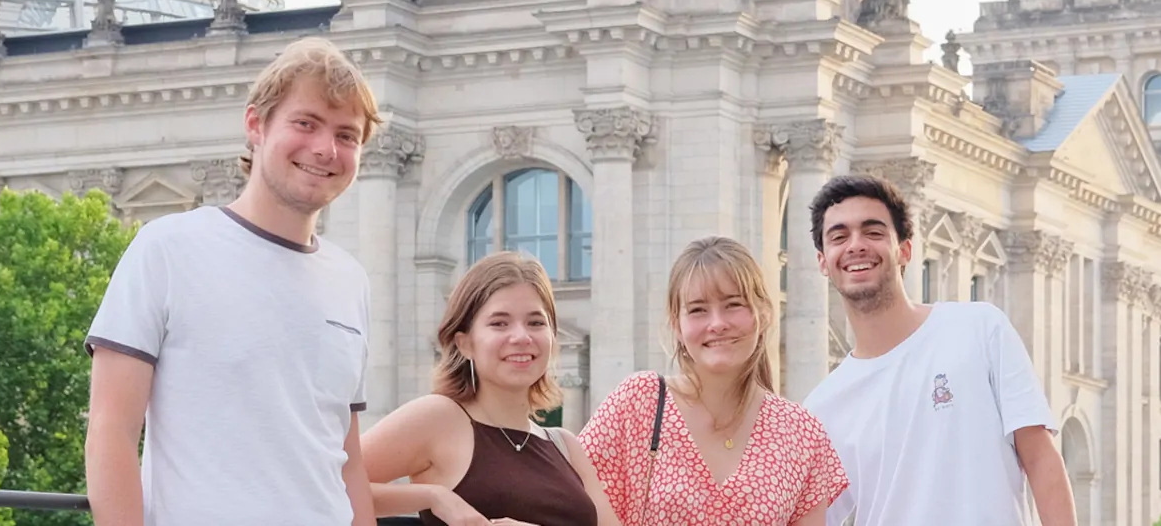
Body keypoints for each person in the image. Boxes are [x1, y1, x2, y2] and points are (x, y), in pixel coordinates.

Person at [82, 37, 385, 526]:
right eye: (305, 123)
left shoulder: (350, 280)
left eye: (347, 135)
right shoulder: (166, 248)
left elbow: (344, 457)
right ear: (255, 126)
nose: (326, 148)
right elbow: (111, 431)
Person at [800, 175, 1077, 526]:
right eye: (839, 236)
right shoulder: (822, 407)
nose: (856, 246)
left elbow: (1040, 458)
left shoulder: (980, 329)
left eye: (873, 232)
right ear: (823, 261)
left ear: (905, 250)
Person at [581, 236, 848, 526]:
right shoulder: (637, 402)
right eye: (698, 309)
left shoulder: (802, 433)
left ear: (764, 314)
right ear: (677, 325)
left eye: (733, 305)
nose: (717, 323)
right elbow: (564, 502)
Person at [360, 252, 620, 526]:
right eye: (499, 323)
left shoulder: (565, 445)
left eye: (536, 322)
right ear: (465, 343)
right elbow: (328, 484)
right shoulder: (439, 417)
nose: (521, 337)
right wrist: (433, 497)